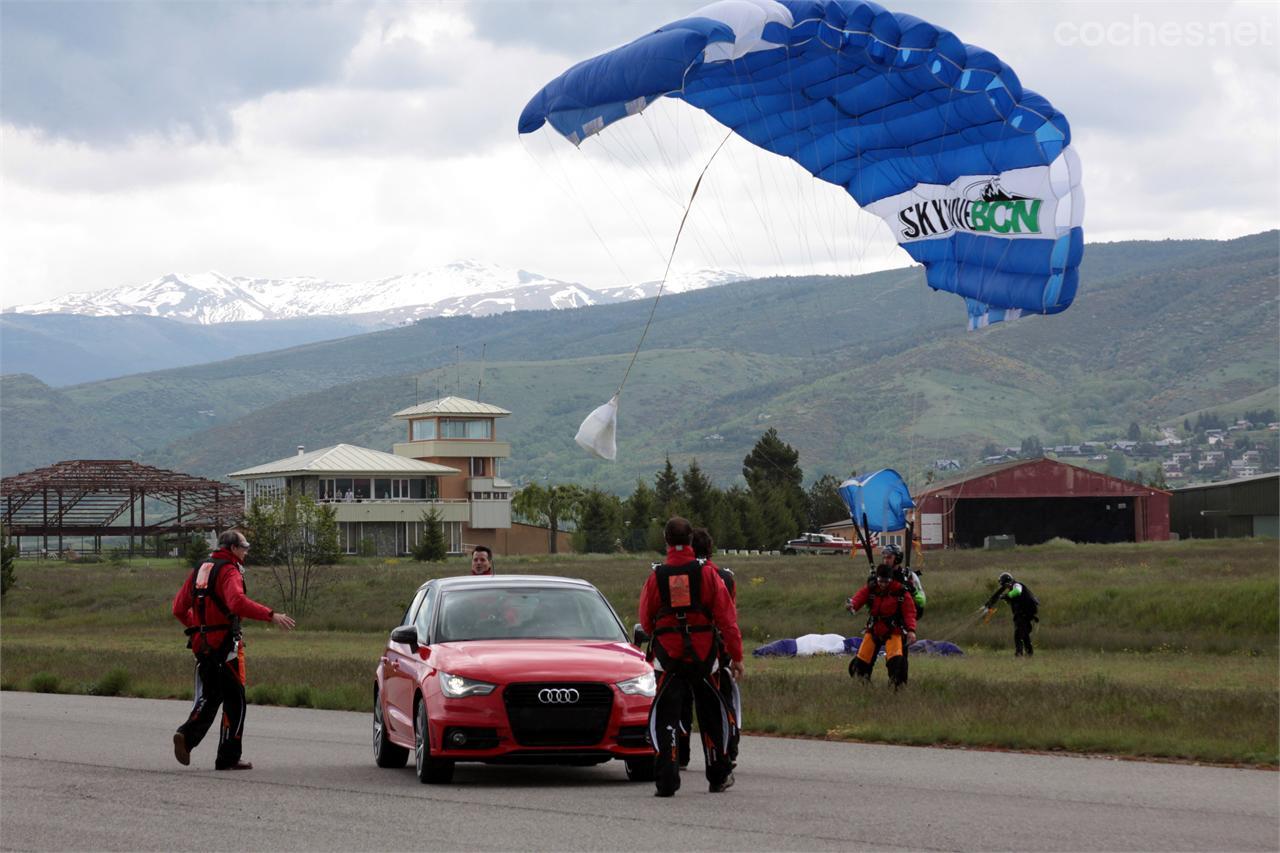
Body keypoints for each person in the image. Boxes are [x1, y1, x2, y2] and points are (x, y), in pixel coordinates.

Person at [171, 529, 295, 770]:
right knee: (235, 699)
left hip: (200, 644)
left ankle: (186, 736)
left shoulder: (201, 568)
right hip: (225, 645)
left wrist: (198, 628)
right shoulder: (229, 570)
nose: (246, 552)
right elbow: (236, 602)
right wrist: (271, 615)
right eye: (243, 547)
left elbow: (178, 607)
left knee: (212, 695)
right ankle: (227, 756)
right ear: (232, 549)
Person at [639, 517, 744, 796]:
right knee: (712, 715)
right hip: (704, 656)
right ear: (690, 541)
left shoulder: (656, 576)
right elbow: (727, 619)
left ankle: (667, 780)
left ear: (666, 540)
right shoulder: (708, 574)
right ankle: (718, 775)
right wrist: (737, 656)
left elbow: (646, 620)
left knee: (666, 717)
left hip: (668, 658)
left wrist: (664, 635)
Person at [676, 528, 741, 769]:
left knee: (683, 703)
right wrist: (736, 654)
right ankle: (728, 750)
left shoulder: (680, 576)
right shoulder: (724, 576)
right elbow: (729, 616)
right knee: (721, 703)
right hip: (716, 650)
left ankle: (681, 754)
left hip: (683, 649)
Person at [846, 563, 917, 687]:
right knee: (860, 663)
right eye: (880, 581)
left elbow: (910, 613)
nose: (883, 584)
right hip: (874, 630)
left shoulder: (900, 592)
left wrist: (911, 630)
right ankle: (864, 685)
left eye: (886, 581)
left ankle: (896, 688)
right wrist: (852, 605)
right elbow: (860, 597)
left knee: (896, 663)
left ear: (891, 579)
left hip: (893, 631)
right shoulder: (872, 589)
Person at [984, 571, 1039, 656]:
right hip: (1023, 614)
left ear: (1007, 581)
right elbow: (1014, 600)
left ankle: (1019, 654)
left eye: (1004, 584)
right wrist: (1005, 598)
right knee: (1024, 634)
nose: (1004, 587)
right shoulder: (1011, 589)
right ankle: (1029, 653)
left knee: (1018, 634)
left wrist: (1006, 596)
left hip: (1025, 614)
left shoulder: (1016, 585)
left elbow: (1017, 592)